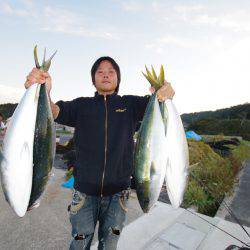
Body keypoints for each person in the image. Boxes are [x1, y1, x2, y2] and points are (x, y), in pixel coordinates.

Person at [24, 56, 175, 250]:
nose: (105, 74)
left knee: (110, 245)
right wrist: (43, 90)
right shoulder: (81, 105)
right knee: (79, 244)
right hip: (84, 193)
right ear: (93, 79)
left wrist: (166, 91)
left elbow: (160, 102)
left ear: (118, 78)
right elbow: (53, 111)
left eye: (111, 71)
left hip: (118, 194)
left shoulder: (131, 105)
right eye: (100, 71)